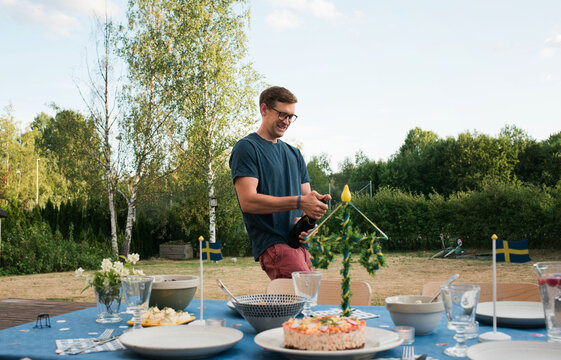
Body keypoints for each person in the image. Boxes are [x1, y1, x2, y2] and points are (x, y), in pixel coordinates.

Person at [229, 86, 331, 280]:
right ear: (264, 109)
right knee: (300, 301)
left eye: (291, 116)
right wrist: (300, 202)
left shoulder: (295, 154)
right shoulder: (247, 148)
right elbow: (248, 201)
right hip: (274, 244)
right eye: (281, 114)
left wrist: (308, 224)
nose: (286, 121)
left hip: (300, 247)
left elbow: (305, 204)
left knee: (304, 303)